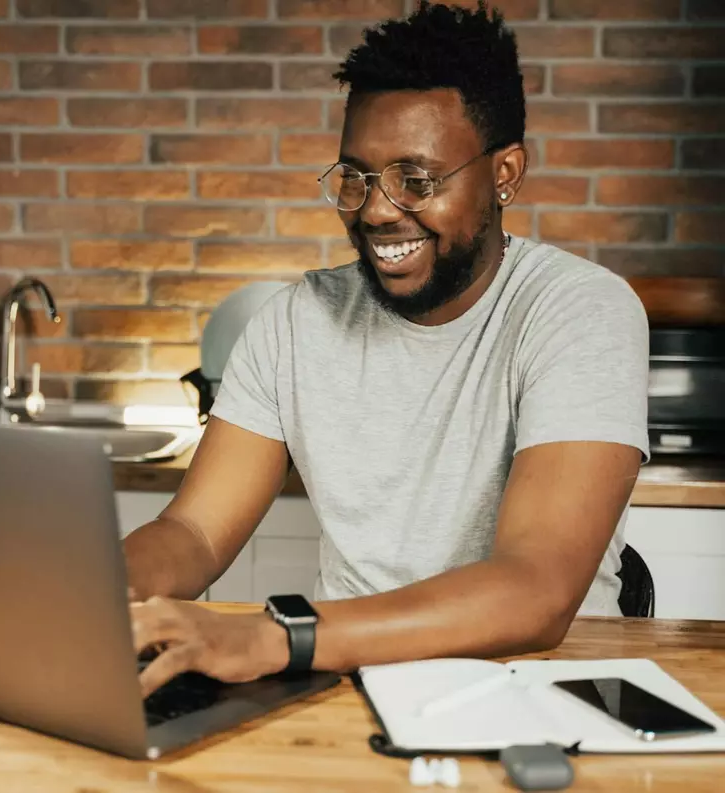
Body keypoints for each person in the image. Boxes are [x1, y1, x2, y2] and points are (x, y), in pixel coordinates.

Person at [125, 0, 649, 697]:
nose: (375, 209)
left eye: (416, 180)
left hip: (540, 692)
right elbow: (192, 530)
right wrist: (91, 590)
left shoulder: (580, 311)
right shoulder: (293, 323)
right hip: (342, 685)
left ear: (505, 174)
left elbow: (537, 589)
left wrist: (278, 636)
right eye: (358, 177)